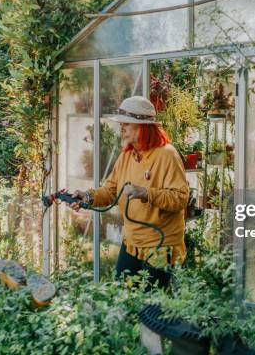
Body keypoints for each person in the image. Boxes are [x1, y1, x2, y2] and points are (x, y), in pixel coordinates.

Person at [68, 96, 189, 288]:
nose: (121, 128)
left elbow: (180, 198)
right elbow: (110, 191)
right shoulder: (127, 156)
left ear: (143, 127)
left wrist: (146, 193)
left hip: (160, 244)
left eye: (127, 124)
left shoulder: (167, 155)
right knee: (122, 297)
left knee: (152, 308)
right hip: (132, 241)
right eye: (122, 124)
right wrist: (88, 196)